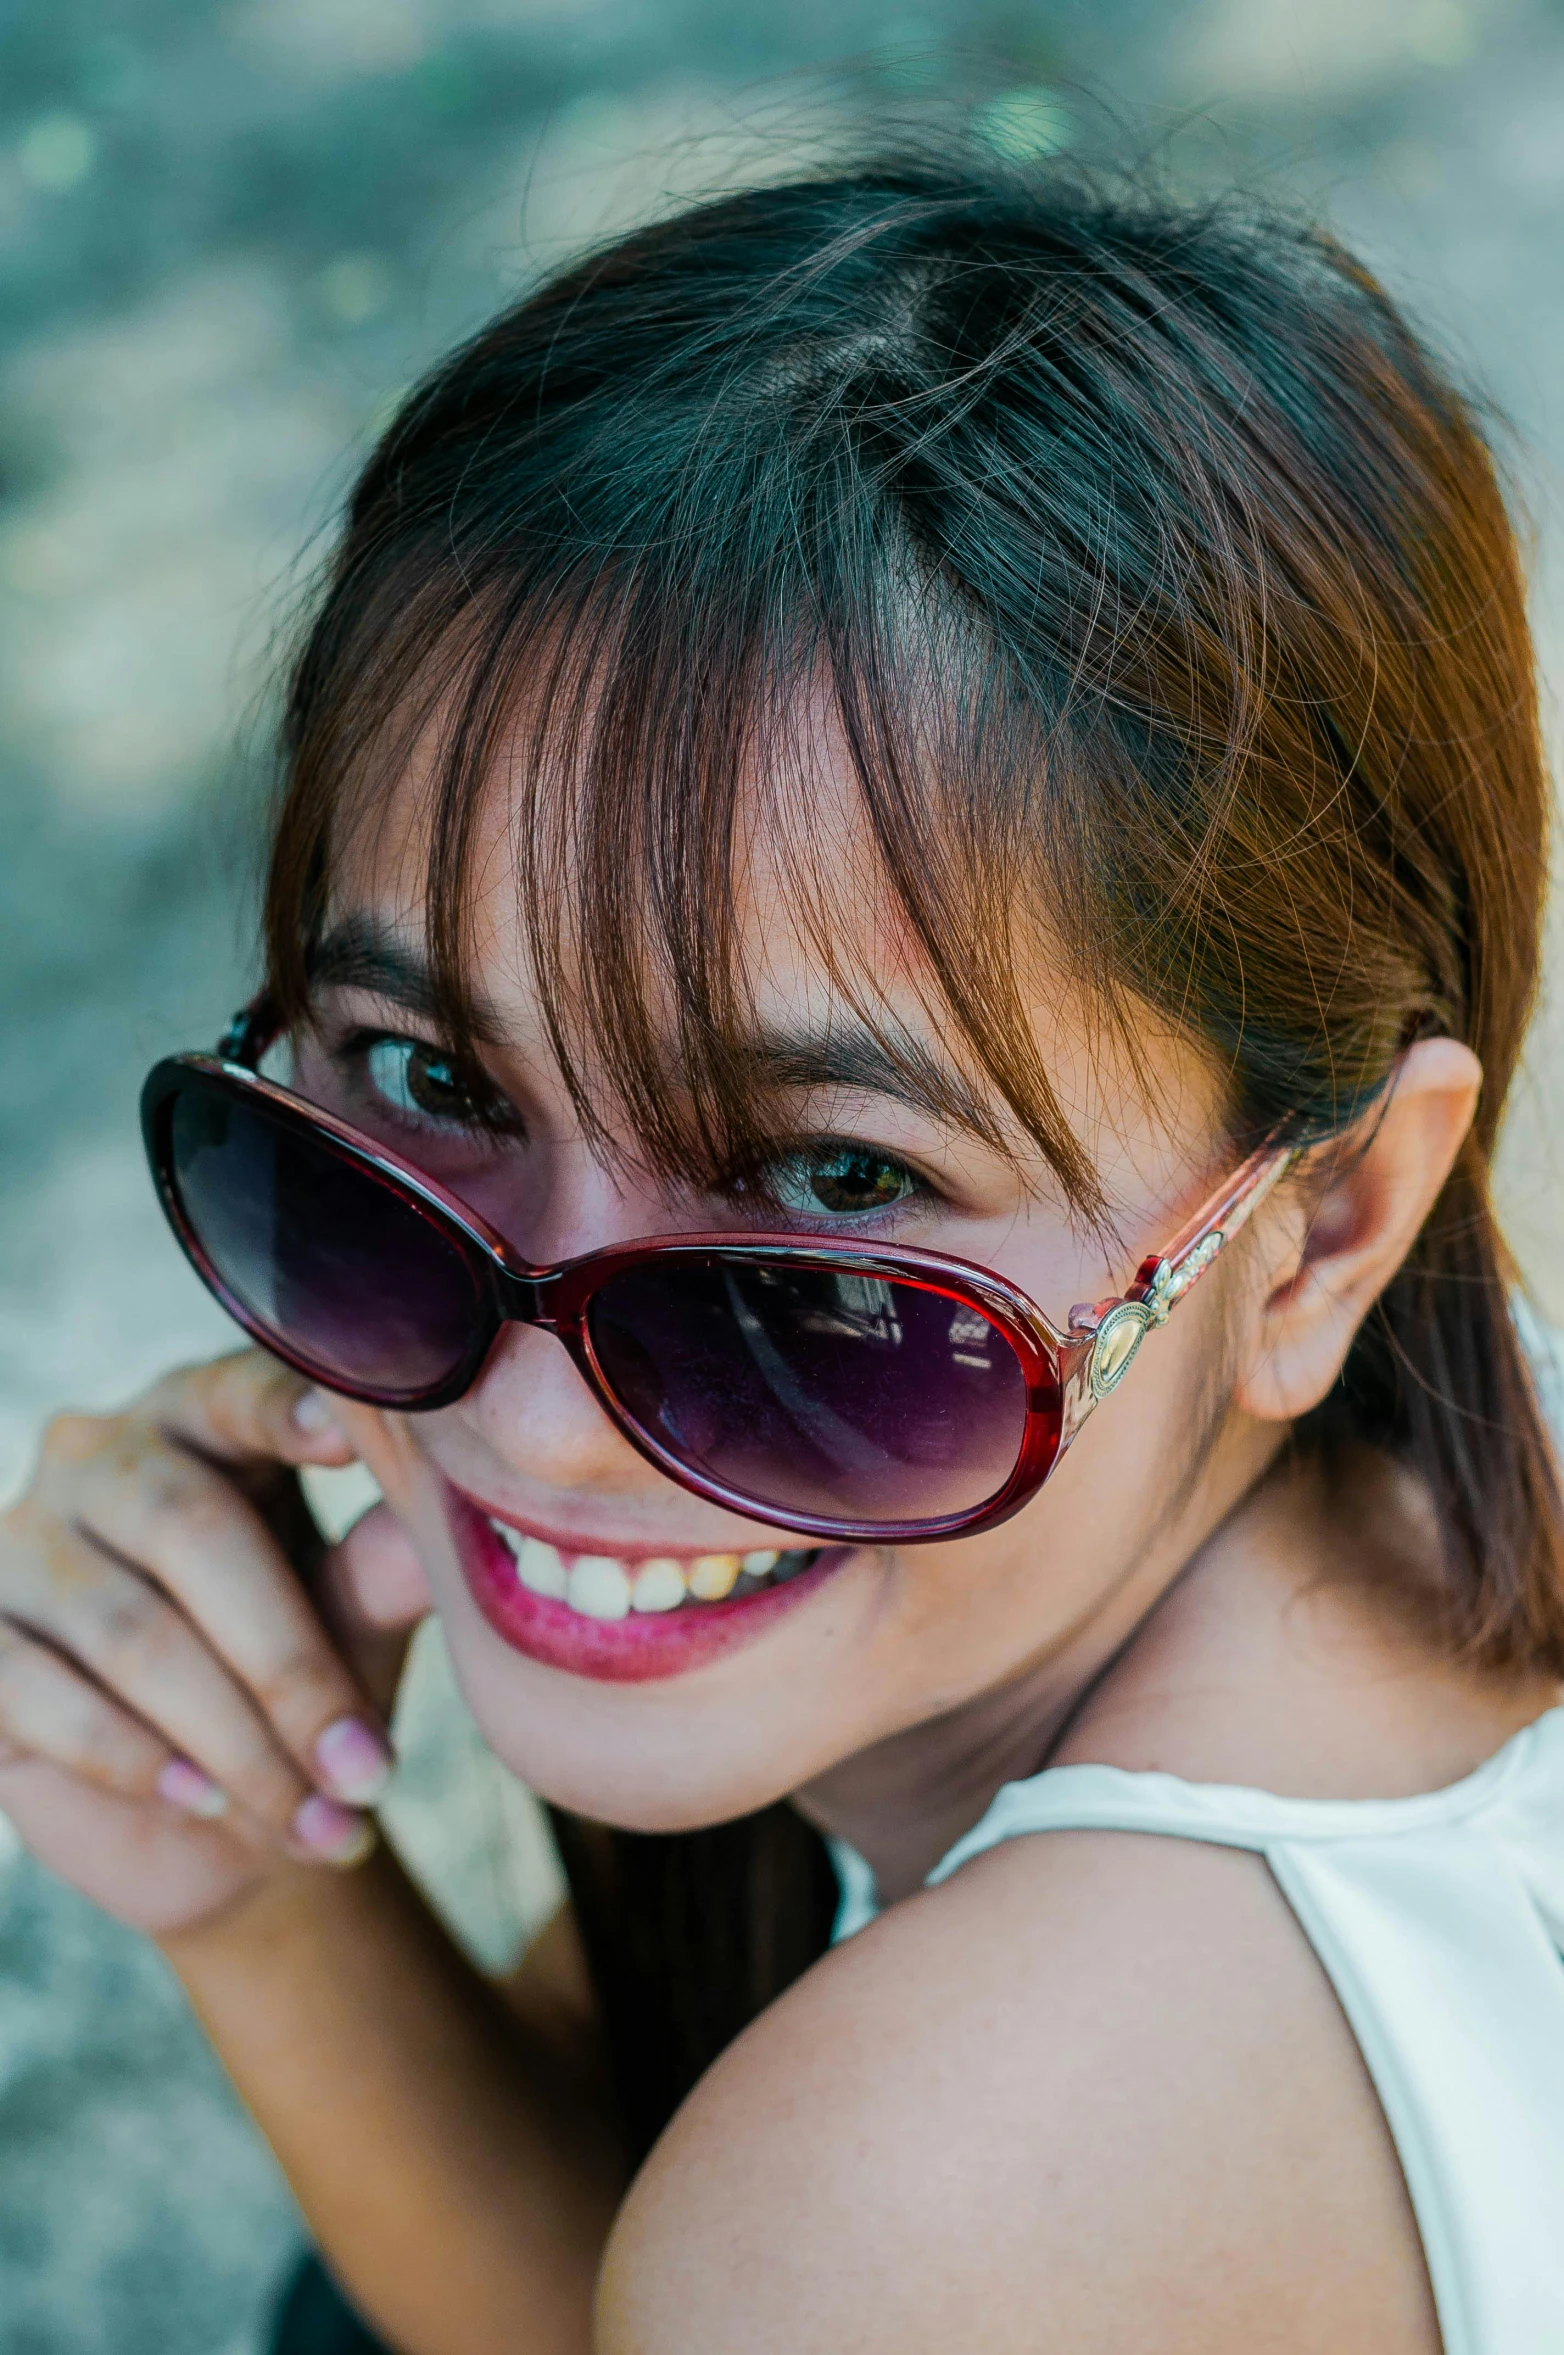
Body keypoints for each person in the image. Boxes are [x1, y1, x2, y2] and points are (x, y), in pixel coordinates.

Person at [2, 155, 1562, 2355]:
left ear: (1323, 1216)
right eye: (427, 1081)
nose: (535, 1416)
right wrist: (253, 1876)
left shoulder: (926, 2203)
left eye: (835, 1192)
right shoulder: (1417, 1466)